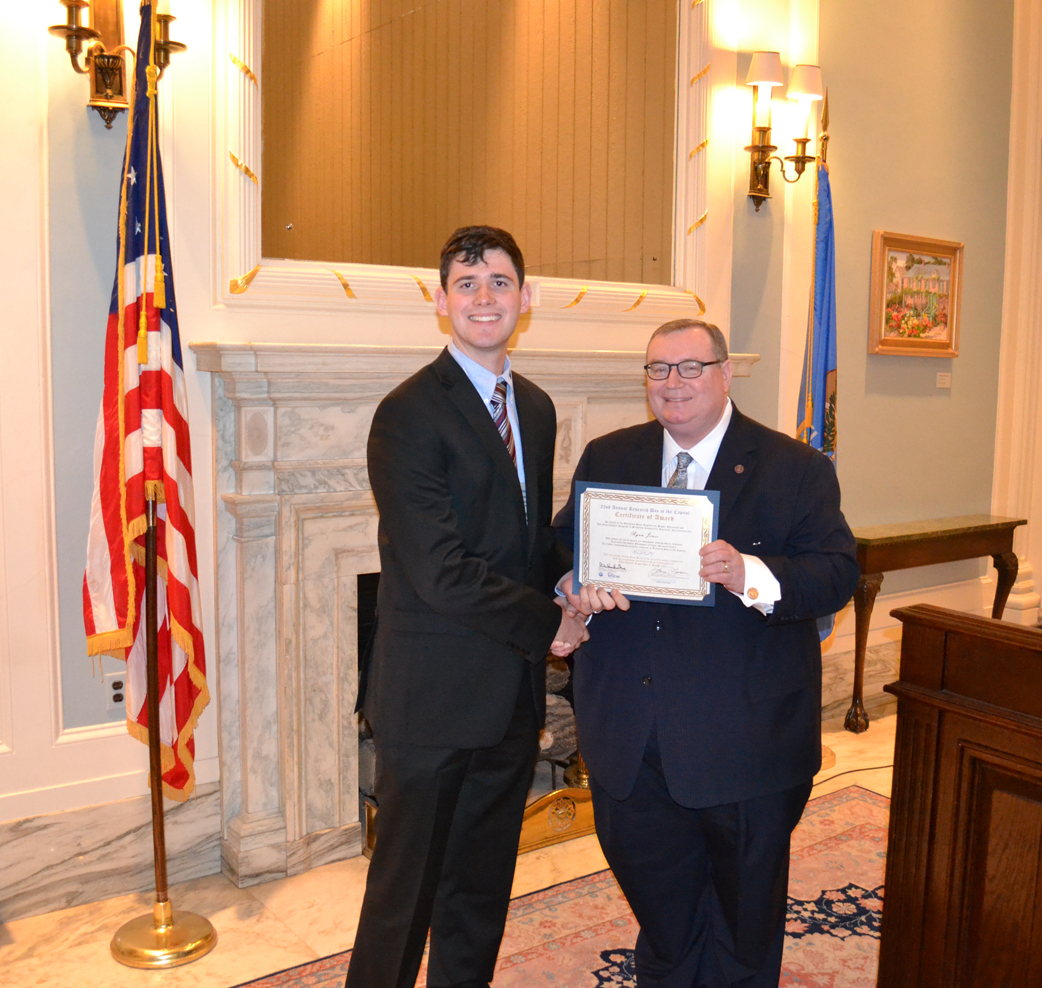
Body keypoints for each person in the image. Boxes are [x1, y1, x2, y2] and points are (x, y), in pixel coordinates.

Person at [554, 318, 860, 987]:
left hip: (745, 744)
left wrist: (747, 571)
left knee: (743, 926)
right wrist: (570, 582)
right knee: (662, 915)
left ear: (726, 373)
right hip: (629, 740)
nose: (673, 384)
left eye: (691, 367)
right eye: (658, 369)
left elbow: (837, 574)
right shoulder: (609, 457)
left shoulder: (795, 468)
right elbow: (562, 545)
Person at [347, 226, 587, 988]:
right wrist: (552, 624)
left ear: (527, 297)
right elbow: (440, 571)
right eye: (467, 282)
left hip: (509, 704)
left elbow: (522, 541)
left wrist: (576, 578)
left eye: (500, 282)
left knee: (479, 895)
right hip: (430, 706)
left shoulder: (539, 408)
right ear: (441, 301)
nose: (485, 298)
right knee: (402, 902)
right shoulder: (408, 413)